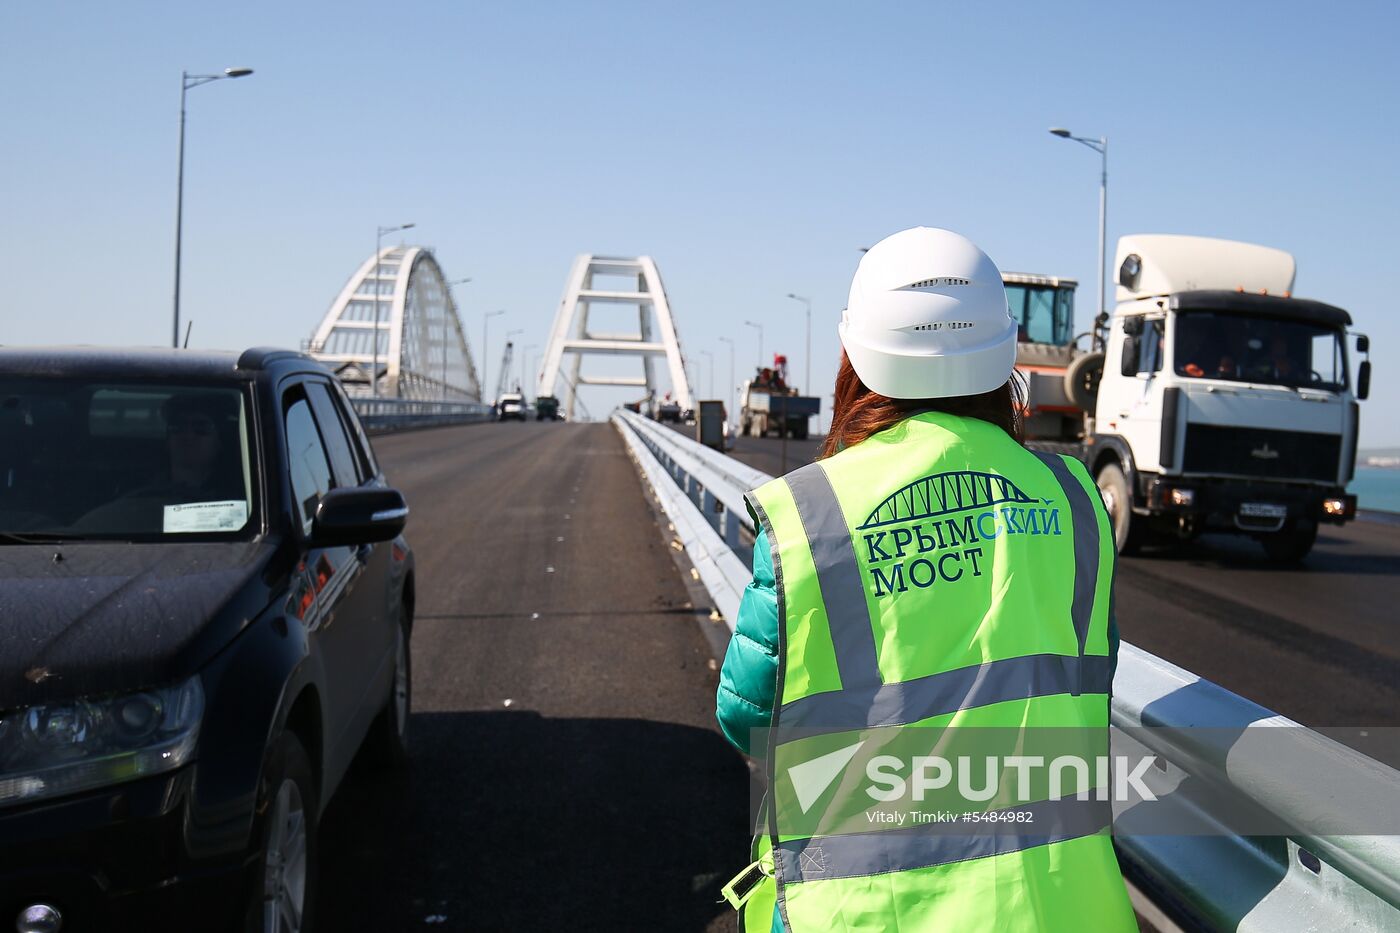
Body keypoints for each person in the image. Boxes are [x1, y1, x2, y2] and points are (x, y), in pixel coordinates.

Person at [716, 228, 1136, 932]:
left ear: (858, 359)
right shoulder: (1074, 499)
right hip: (1063, 908)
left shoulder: (813, 512)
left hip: (867, 912)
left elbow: (747, 718)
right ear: (1004, 357)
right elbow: (1089, 670)